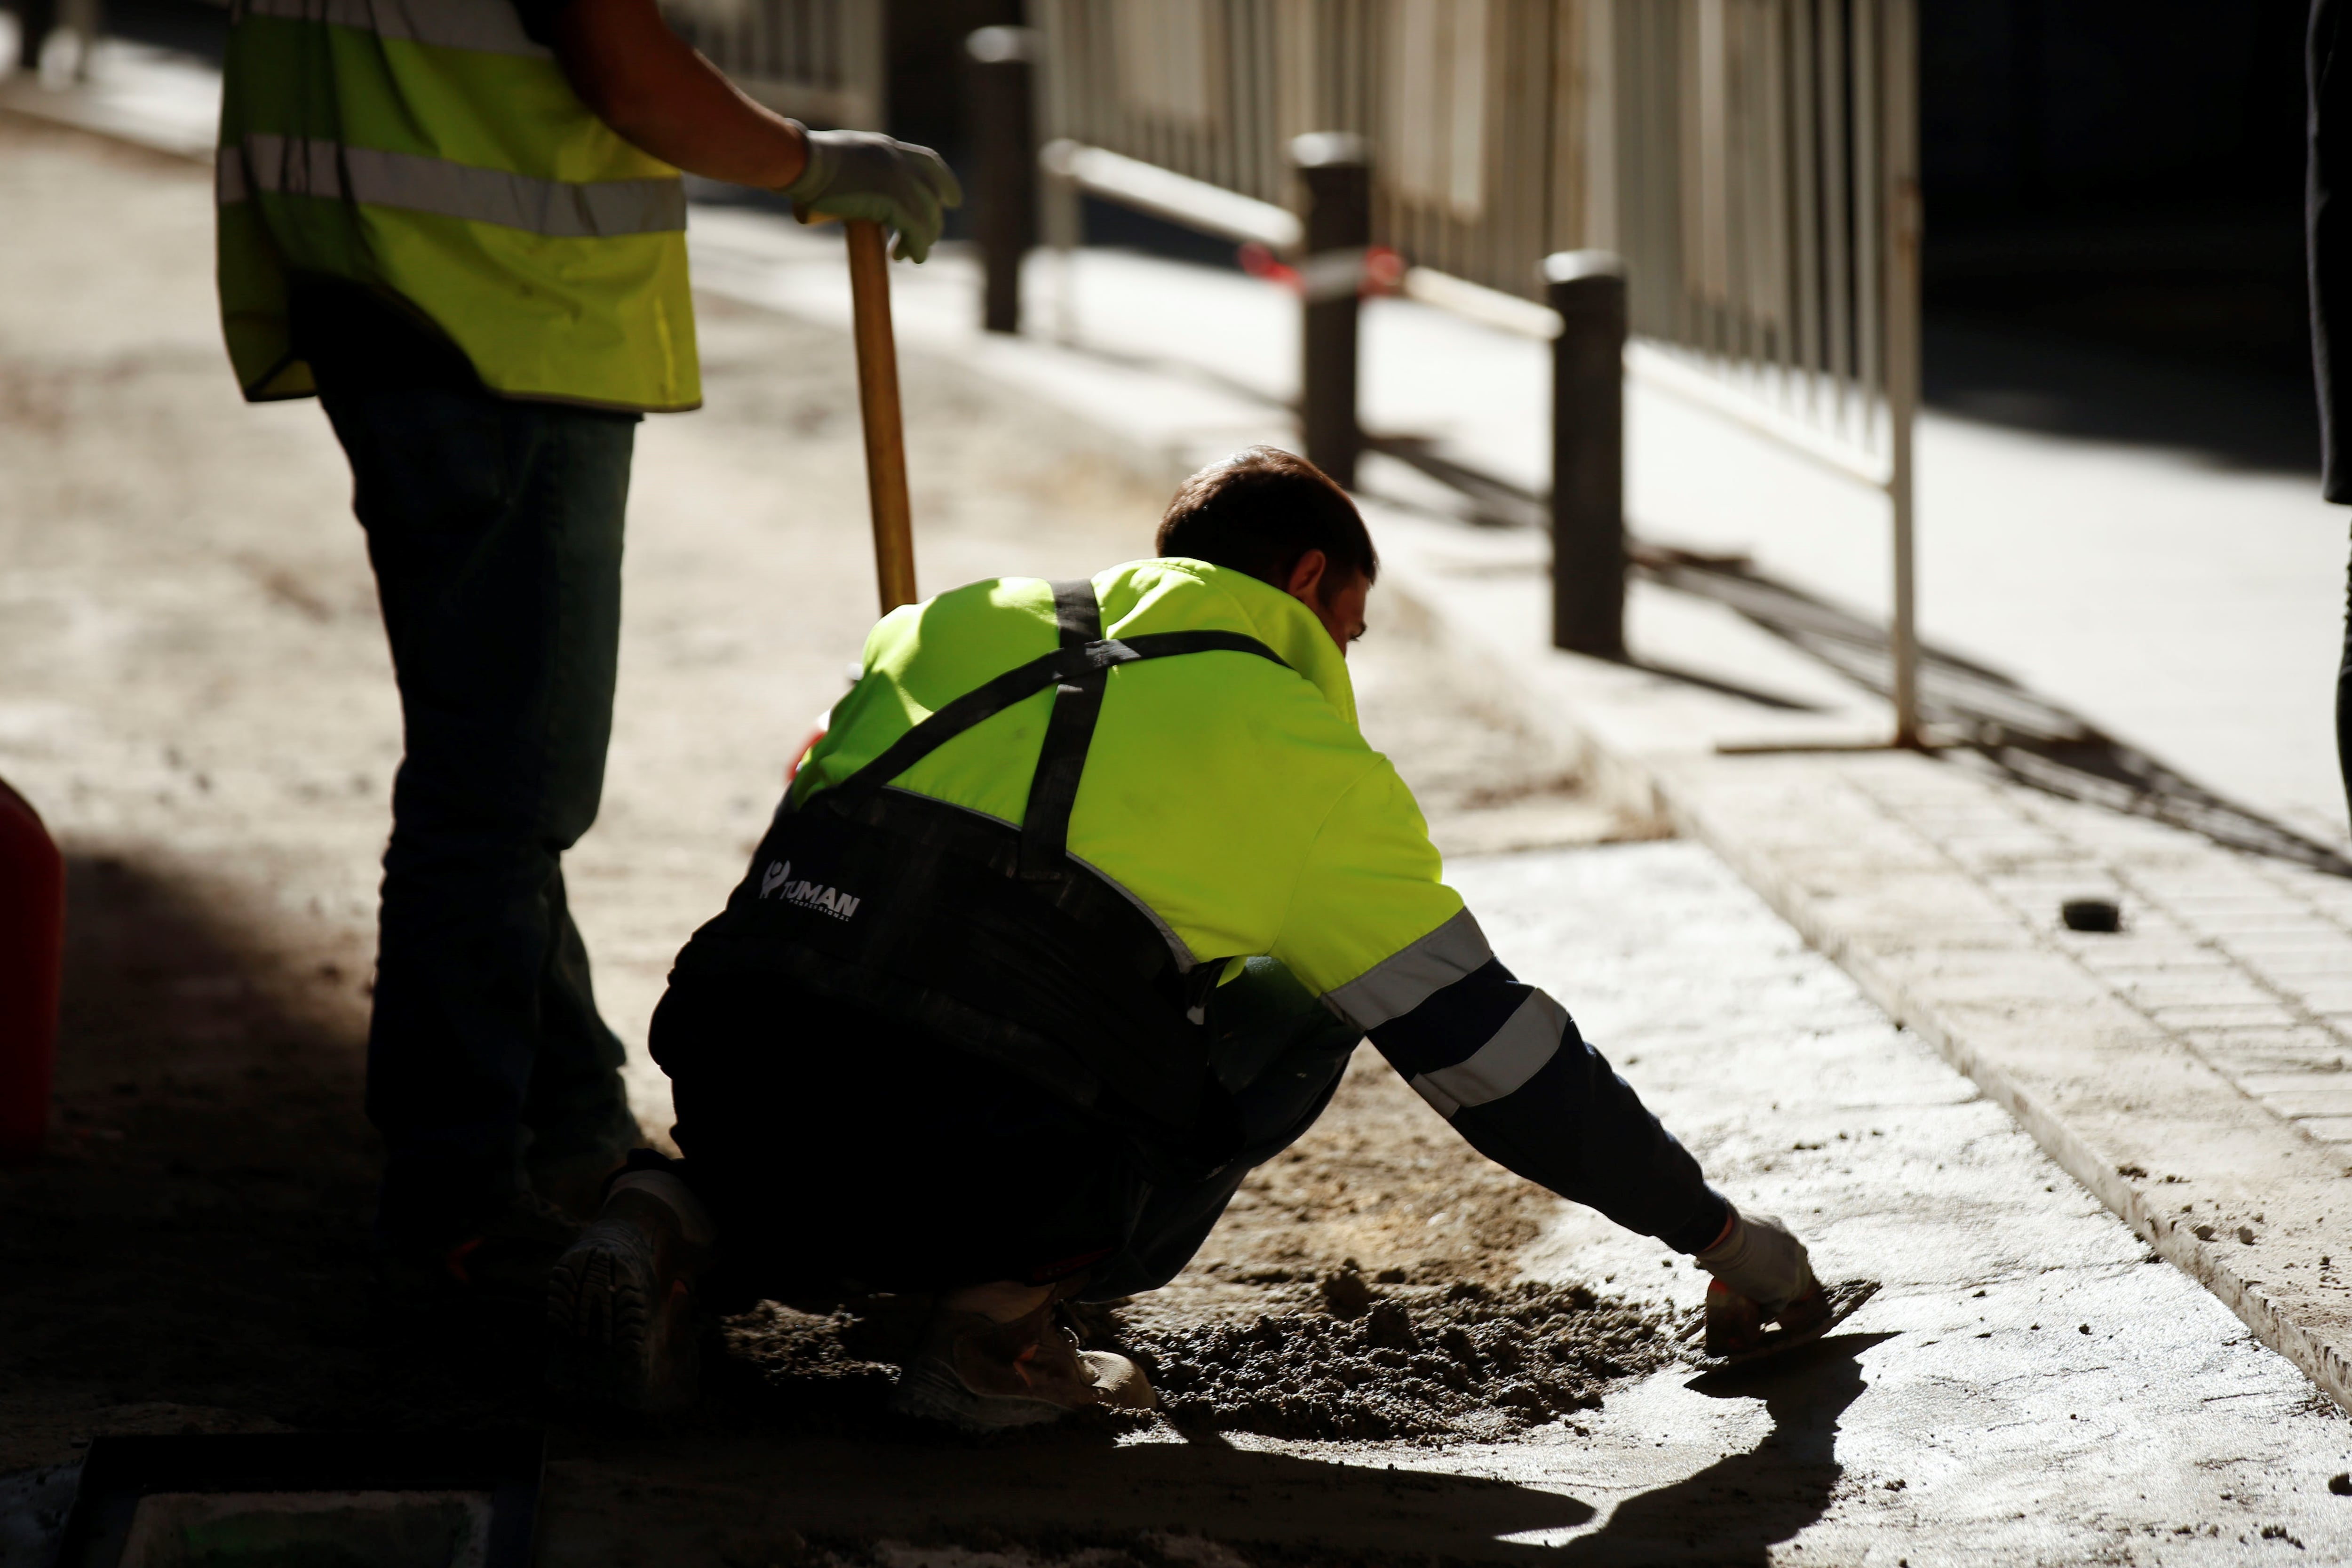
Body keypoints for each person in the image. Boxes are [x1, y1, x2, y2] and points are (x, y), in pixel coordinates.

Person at [547, 448, 1824, 1425]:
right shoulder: (1309, 760)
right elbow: (1493, 1061)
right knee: (1319, 993)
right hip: (989, 1155)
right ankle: (993, 1325)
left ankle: (673, 1211)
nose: (1347, 661)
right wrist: (1714, 1232)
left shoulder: (942, 622)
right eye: (1352, 631)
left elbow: (800, 863)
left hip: (743, 1081)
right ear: (1309, 584)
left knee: (853, 1009)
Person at [213, 0, 961, 1301]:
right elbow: (623, 64)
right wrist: (812, 161)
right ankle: (455, 1192)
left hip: (370, 290)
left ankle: (570, 1123)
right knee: (501, 792)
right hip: (503, 313)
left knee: (491, 757)